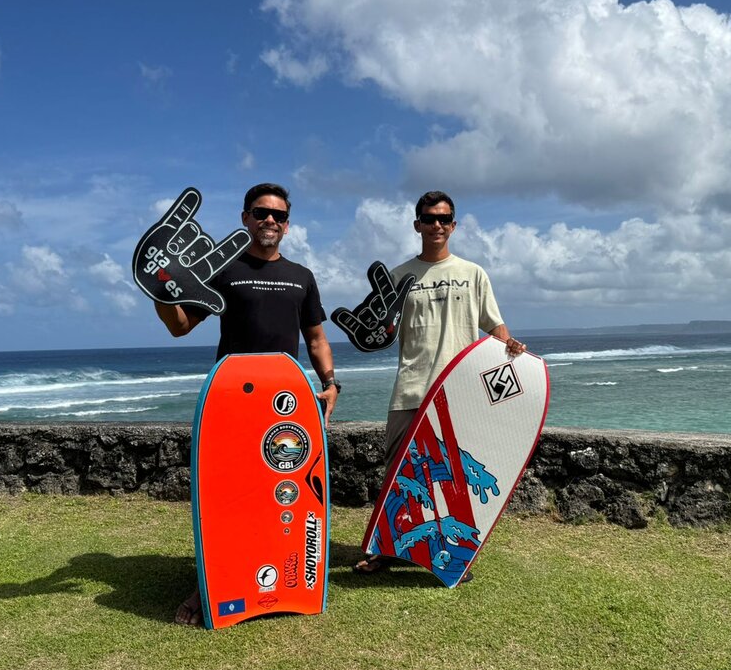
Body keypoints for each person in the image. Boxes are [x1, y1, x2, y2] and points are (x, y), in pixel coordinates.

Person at [156, 182, 341, 625]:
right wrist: (162, 295)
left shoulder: (302, 276)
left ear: (288, 224)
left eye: (278, 215)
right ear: (245, 218)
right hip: (232, 402)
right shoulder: (224, 271)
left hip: (284, 406)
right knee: (228, 496)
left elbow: (316, 338)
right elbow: (180, 326)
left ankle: (280, 580)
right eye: (260, 213)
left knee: (281, 499)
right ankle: (213, 586)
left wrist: (331, 384)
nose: (269, 221)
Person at [353, 190, 526, 578]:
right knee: (398, 474)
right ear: (417, 225)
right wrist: (371, 328)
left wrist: (510, 351)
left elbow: (495, 327)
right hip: (411, 389)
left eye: (444, 219)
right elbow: (377, 331)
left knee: (452, 479)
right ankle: (387, 549)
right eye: (429, 219)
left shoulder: (473, 274)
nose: (436, 225)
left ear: (453, 225)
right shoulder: (399, 277)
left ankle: (453, 556)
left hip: (459, 394)